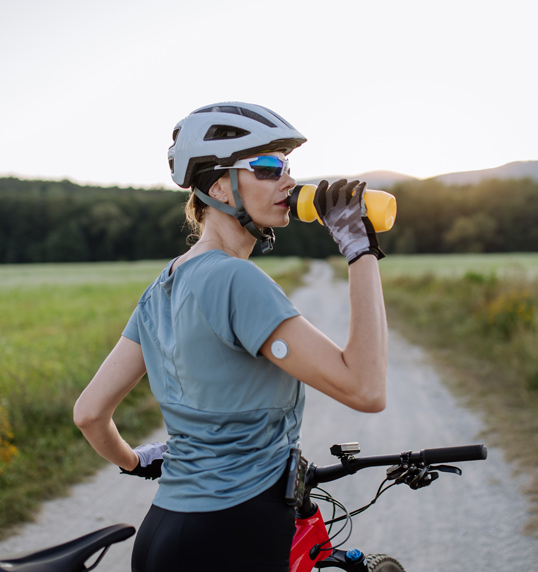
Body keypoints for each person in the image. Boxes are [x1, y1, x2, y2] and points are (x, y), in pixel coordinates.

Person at [73, 102, 388, 572]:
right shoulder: (238, 280)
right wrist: (360, 250)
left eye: (286, 166)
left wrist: (138, 463)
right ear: (218, 186)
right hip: (234, 533)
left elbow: (90, 413)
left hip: (163, 533)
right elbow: (365, 389)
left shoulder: (162, 287)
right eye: (265, 167)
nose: (286, 180)